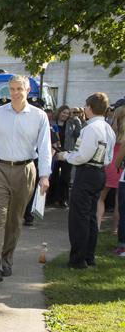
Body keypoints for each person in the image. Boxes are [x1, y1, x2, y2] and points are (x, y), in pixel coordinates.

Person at [0, 74, 52, 284]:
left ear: (27, 90)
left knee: (14, 220)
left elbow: (46, 148)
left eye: (20, 89)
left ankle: (6, 259)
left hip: (25, 170)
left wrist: (45, 176)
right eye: (12, 89)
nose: (16, 93)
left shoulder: (39, 116)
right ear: (8, 91)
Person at [55, 93, 115, 268]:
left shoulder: (90, 129)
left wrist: (64, 156)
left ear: (88, 108)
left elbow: (82, 156)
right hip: (99, 172)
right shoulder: (108, 128)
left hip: (87, 173)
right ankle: (89, 255)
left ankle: (78, 259)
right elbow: (108, 157)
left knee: (79, 217)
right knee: (90, 216)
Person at [96, 106, 125, 233]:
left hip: (108, 164)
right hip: (121, 166)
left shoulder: (109, 129)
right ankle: (115, 228)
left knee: (100, 198)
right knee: (119, 200)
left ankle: (96, 225)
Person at [46, 105, 81, 207]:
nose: (65, 115)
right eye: (64, 112)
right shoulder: (53, 123)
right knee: (53, 176)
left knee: (65, 176)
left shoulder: (71, 124)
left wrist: (77, 121)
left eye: (67, 113)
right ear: (59, 113)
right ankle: (50, 198)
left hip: (67, 153)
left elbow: (78, 134)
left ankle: (63, 199)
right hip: (55, 153)